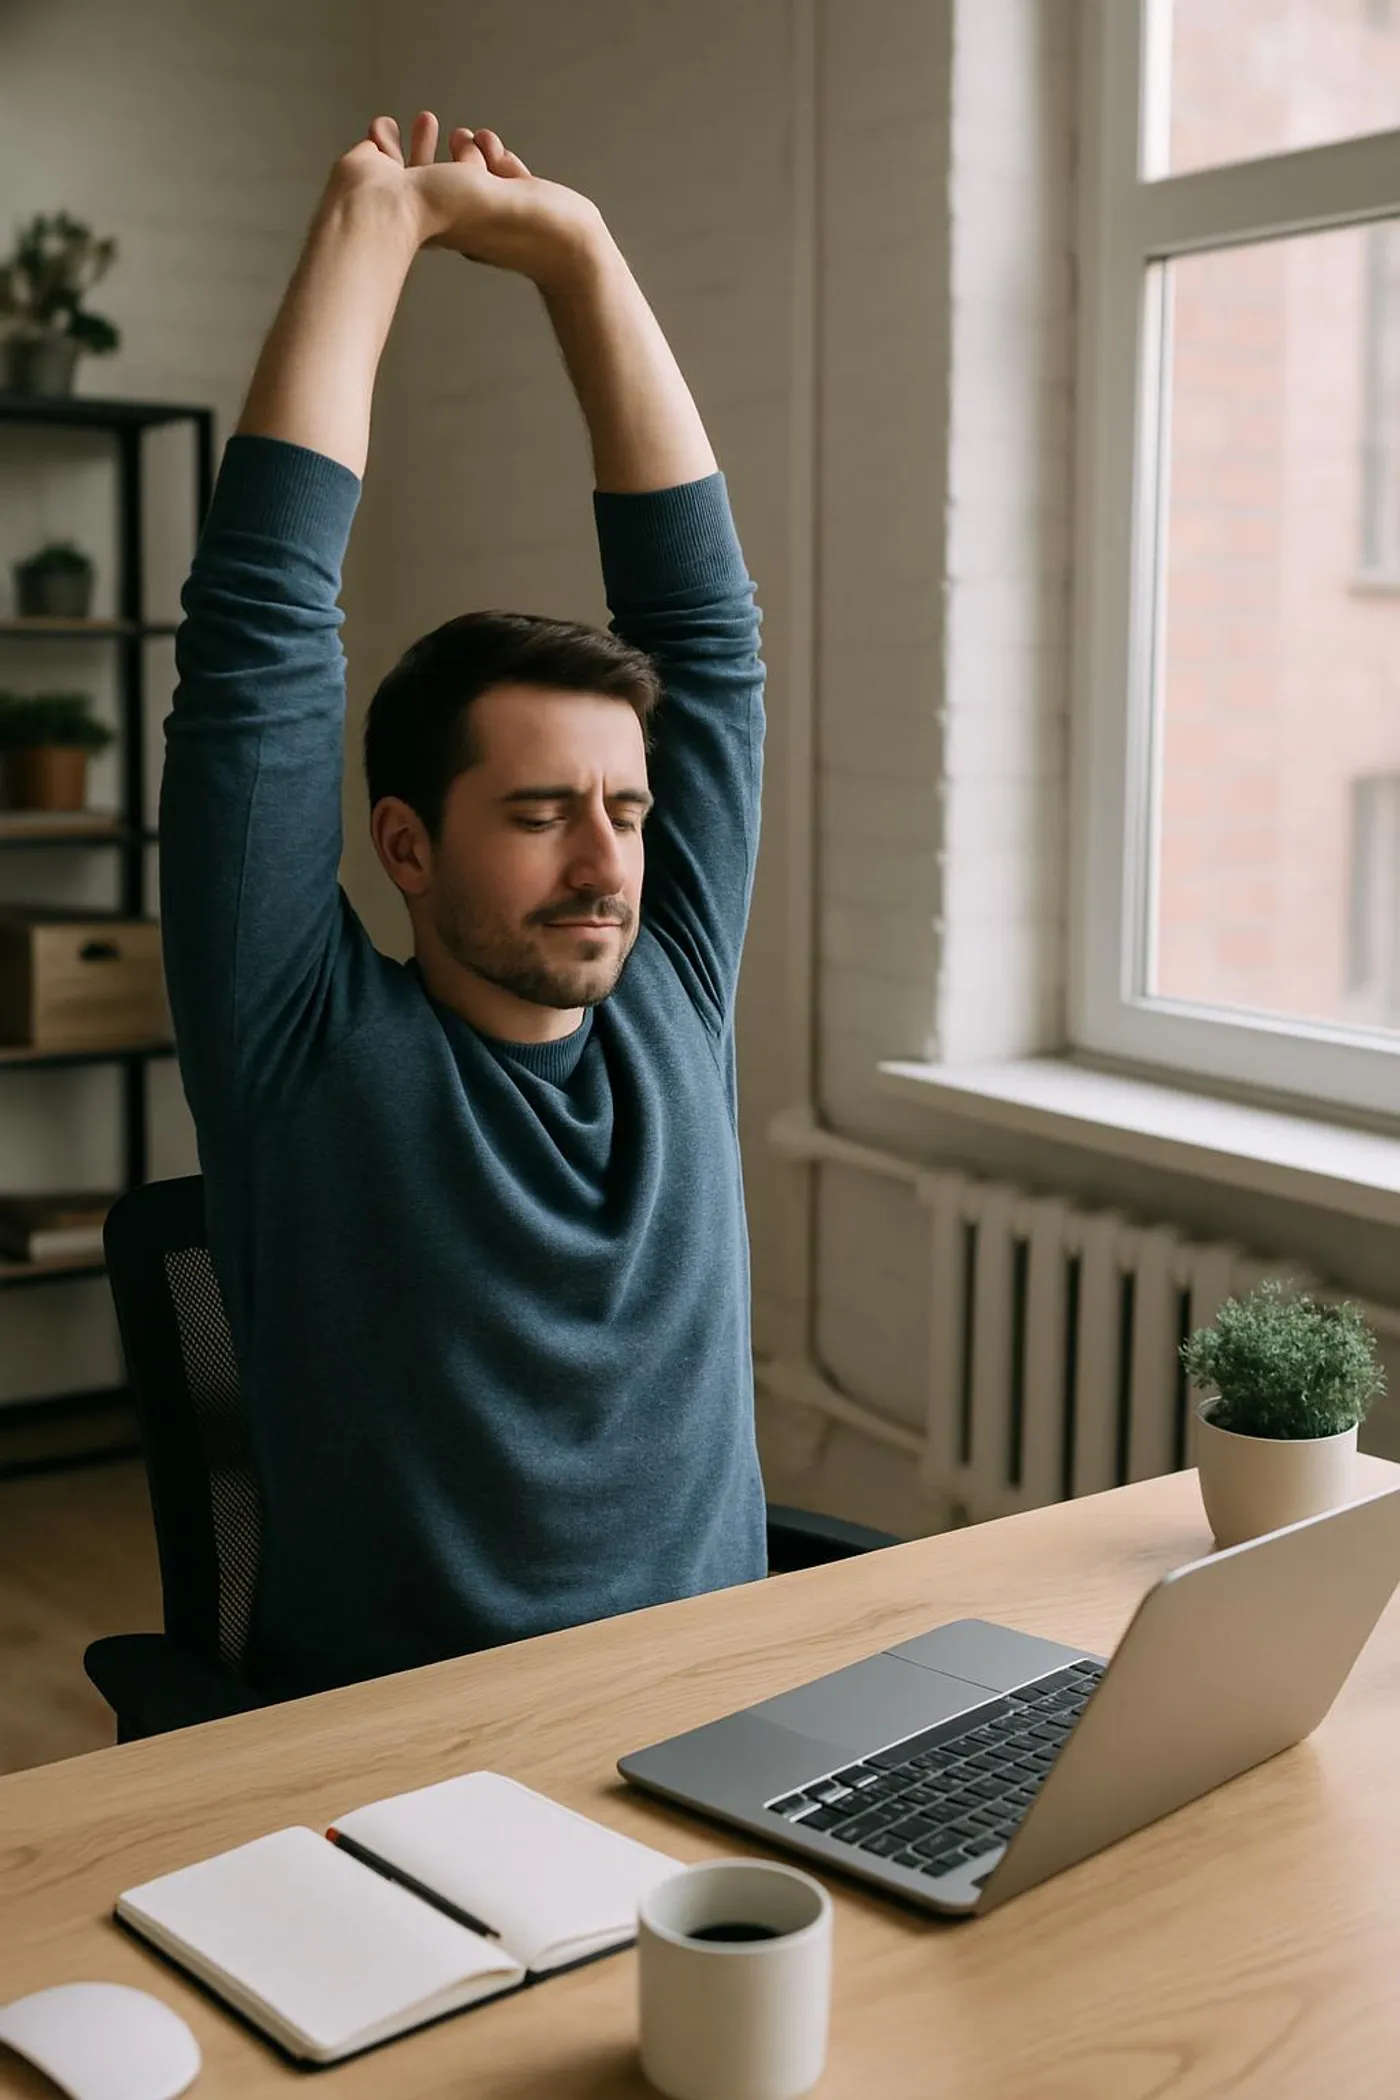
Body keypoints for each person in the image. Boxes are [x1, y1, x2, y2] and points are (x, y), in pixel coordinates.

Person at [160, 111, 768, 1699]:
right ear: (406, 847)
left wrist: (580, 254)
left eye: (628, 810)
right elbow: (256, 637)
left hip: (723, 1718)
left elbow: (703, 636)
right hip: (411, 1768)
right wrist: (372, 229)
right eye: (541, 812)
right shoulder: (298, 1045)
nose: (608, 861)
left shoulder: (671, 993)